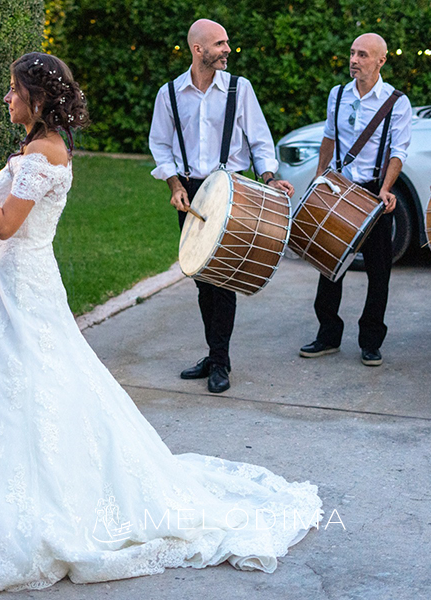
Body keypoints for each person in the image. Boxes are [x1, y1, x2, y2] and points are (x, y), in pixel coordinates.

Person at [0, 52, 321, 598]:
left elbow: (4, 224)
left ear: (37, 99)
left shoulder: (42, 154)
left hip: (22, 284)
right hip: (18, 283)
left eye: (13, 90)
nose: (7, 98)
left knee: (26, 377)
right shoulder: (42, 149)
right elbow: (13, 186)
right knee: (14, 381)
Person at [149, 19, 294, 394]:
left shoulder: (239, 89)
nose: (228, 49)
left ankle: (221, 362)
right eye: (220, 43)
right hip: (190, 193)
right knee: (201, 278)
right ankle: (214, 355)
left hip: (232, 191)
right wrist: (174, 183)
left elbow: (261, 141)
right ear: (199, 50)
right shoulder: (169, 93)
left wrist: (269, 177)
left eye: (227, 42)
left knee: (223, 278)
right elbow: (159, 144)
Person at [298, 33, 411, 367]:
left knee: (379, 273)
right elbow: (329, 139)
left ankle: (371, 341)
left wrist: (387, 188)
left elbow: (399, 151)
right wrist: (319, 178)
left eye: (362, 55)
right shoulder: (338, 94)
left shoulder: (396, 101)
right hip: (337, 190)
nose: (354, 60)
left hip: (374, 193)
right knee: (329, 264)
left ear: (381, 61)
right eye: (351, 53)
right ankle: (328, 335)